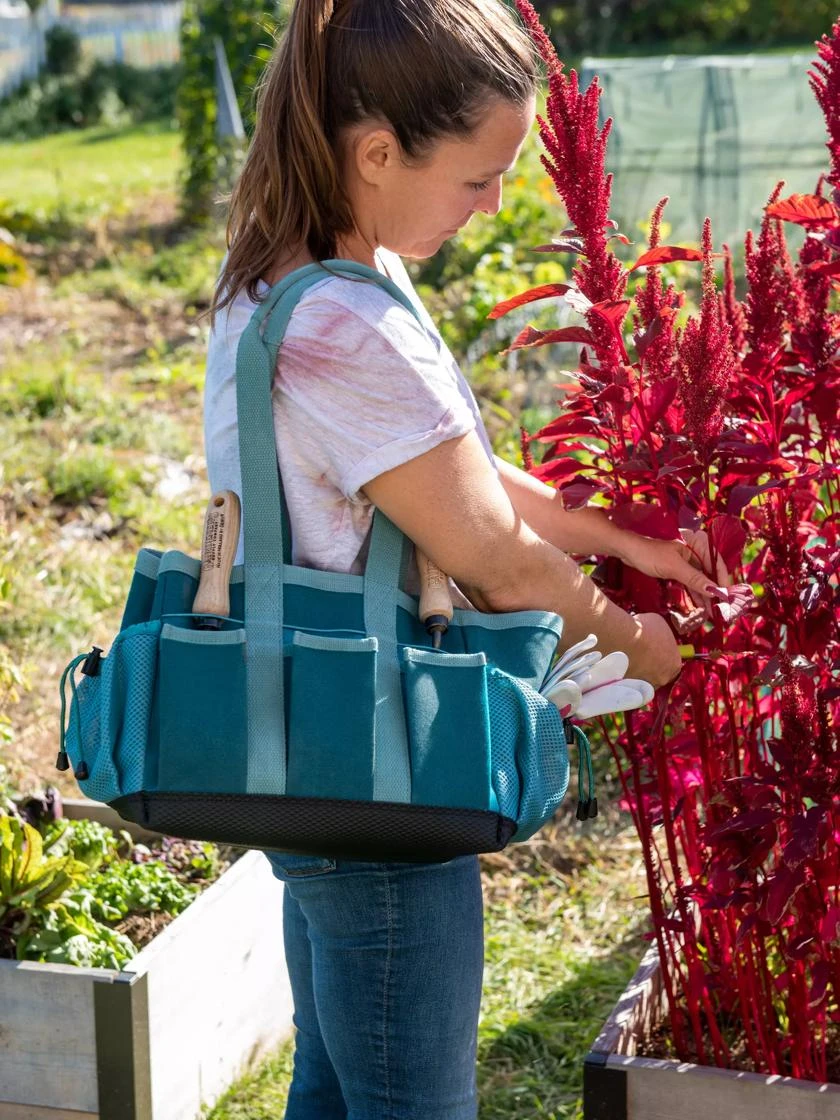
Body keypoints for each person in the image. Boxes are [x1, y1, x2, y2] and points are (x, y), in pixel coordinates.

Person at [203, 2, 727, 1116]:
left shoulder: (296, 277)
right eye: (479, 179)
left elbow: (452, 479)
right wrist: (638, 643)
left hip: (313, 754)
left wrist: (618, 537)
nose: (494, 204)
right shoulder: (350, 330)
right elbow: (496, 560)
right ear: (376, 154)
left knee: (336, 1082)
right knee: (413, 1101)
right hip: (381, 775)